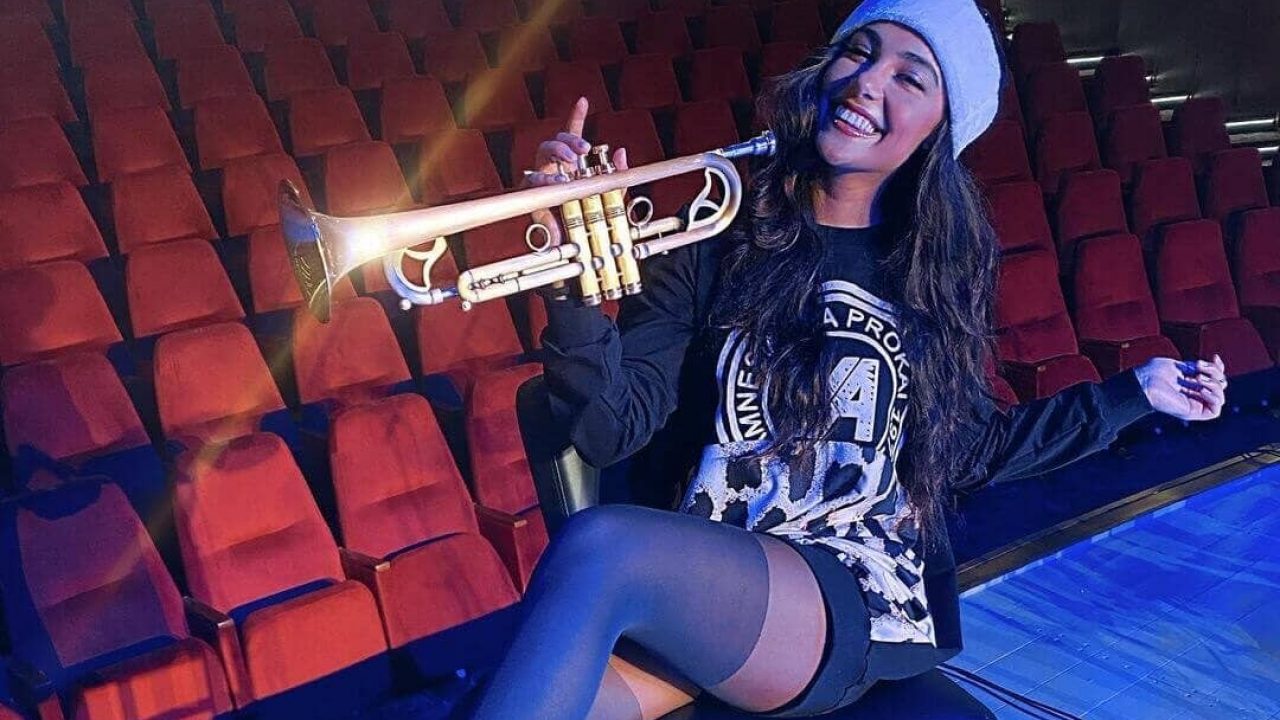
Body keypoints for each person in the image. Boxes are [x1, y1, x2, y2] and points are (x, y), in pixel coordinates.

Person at [463, 1, 1229, 718]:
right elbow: (610, 431)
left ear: (939, 128)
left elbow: (971, 450)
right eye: (858, 52)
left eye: (909, 77)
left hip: (853, 585)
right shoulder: (707, 240)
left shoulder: (926, 277)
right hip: (713, 585)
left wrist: (1134, 393)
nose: (867, 82)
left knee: (602, 548)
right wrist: (570, 284)